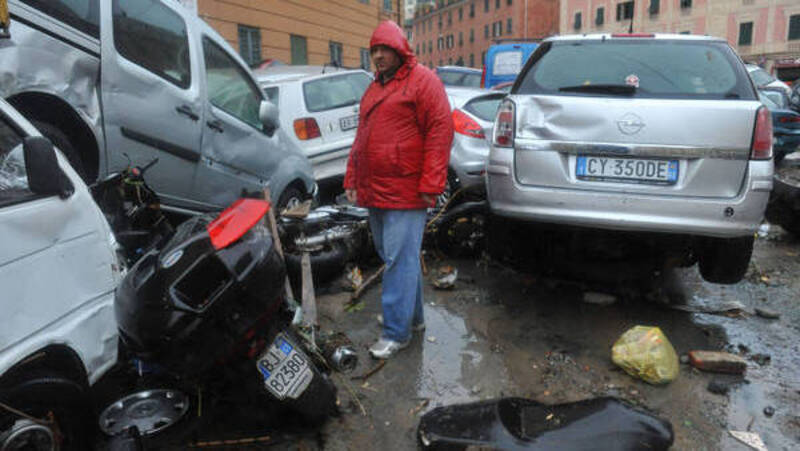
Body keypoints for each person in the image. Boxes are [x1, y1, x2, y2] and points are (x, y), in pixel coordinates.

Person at [343, 20, 453, 359]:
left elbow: (440, 131)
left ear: (399, 49)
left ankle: (396, 333)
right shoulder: (375, 88)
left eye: (383, 49)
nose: (377, 55)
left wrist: (431, 184)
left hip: (407, 190)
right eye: (373, 50)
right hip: (376, 189)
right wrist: (351, 178)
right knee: (399, 258)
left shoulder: (423, 81)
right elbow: (361, 140)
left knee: (397, 261)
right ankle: (414, 319)